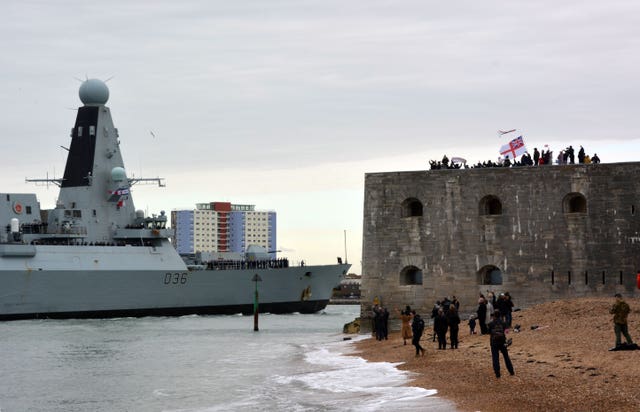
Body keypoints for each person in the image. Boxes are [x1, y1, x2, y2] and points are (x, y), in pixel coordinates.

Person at [488, 310, 514, 378]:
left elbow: (488, 332)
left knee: (495, 358)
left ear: (494, 315)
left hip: (494, 342)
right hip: (502, 341)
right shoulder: (503, 323)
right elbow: (507, 332)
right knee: (506, 356)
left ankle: (497, 373)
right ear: (500, 315)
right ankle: (511, 371)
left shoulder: (491, 323)